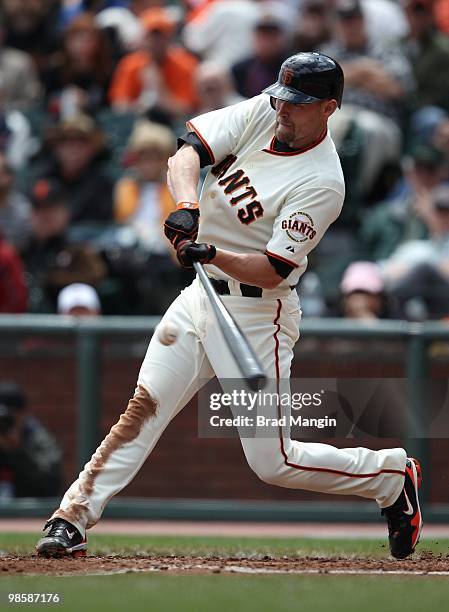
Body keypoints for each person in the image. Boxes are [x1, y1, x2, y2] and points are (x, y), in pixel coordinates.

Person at [36, 52, 422, 561]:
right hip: (199, 296)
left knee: (275, 462)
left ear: (329, 108)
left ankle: (391, 475)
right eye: (282, 97)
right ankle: (72, 517)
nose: (283, 110)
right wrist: (187, 208)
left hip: (257, 313)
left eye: (299, 104)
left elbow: (273, 268)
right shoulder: (266, 109)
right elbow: (186, 153)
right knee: (142, 409)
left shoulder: (322, 181)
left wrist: (213, 251)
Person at [0, 382, 62, 499]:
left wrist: (18, 450)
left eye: (8, 417)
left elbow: (50, 485)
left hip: (29, 512)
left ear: (22, 414)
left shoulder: (38, 438)